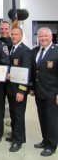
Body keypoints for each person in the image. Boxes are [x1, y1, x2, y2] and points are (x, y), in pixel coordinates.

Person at [30, 27, 58, 157]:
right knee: (42, 118)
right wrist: (32, 87)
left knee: (52, 120)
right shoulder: (35, 51)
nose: (43, 39)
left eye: (46, 36)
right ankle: (45, 140)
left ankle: (51, 145)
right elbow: (35, 71)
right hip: (39, 92)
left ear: (51, 37)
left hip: (52, 93)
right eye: (40, 36)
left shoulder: (56, 51)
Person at [5, 27, 31, 152]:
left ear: (21, 35)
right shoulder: (11, 48)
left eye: (16, 34)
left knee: (19, 115)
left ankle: (18, 141)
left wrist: (22, 91)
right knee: (14, 114)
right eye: (12, 34)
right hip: (11, 88)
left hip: (18, 90)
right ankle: (18, 135)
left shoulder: (25, 51)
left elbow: (27, 72)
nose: (13, 36)